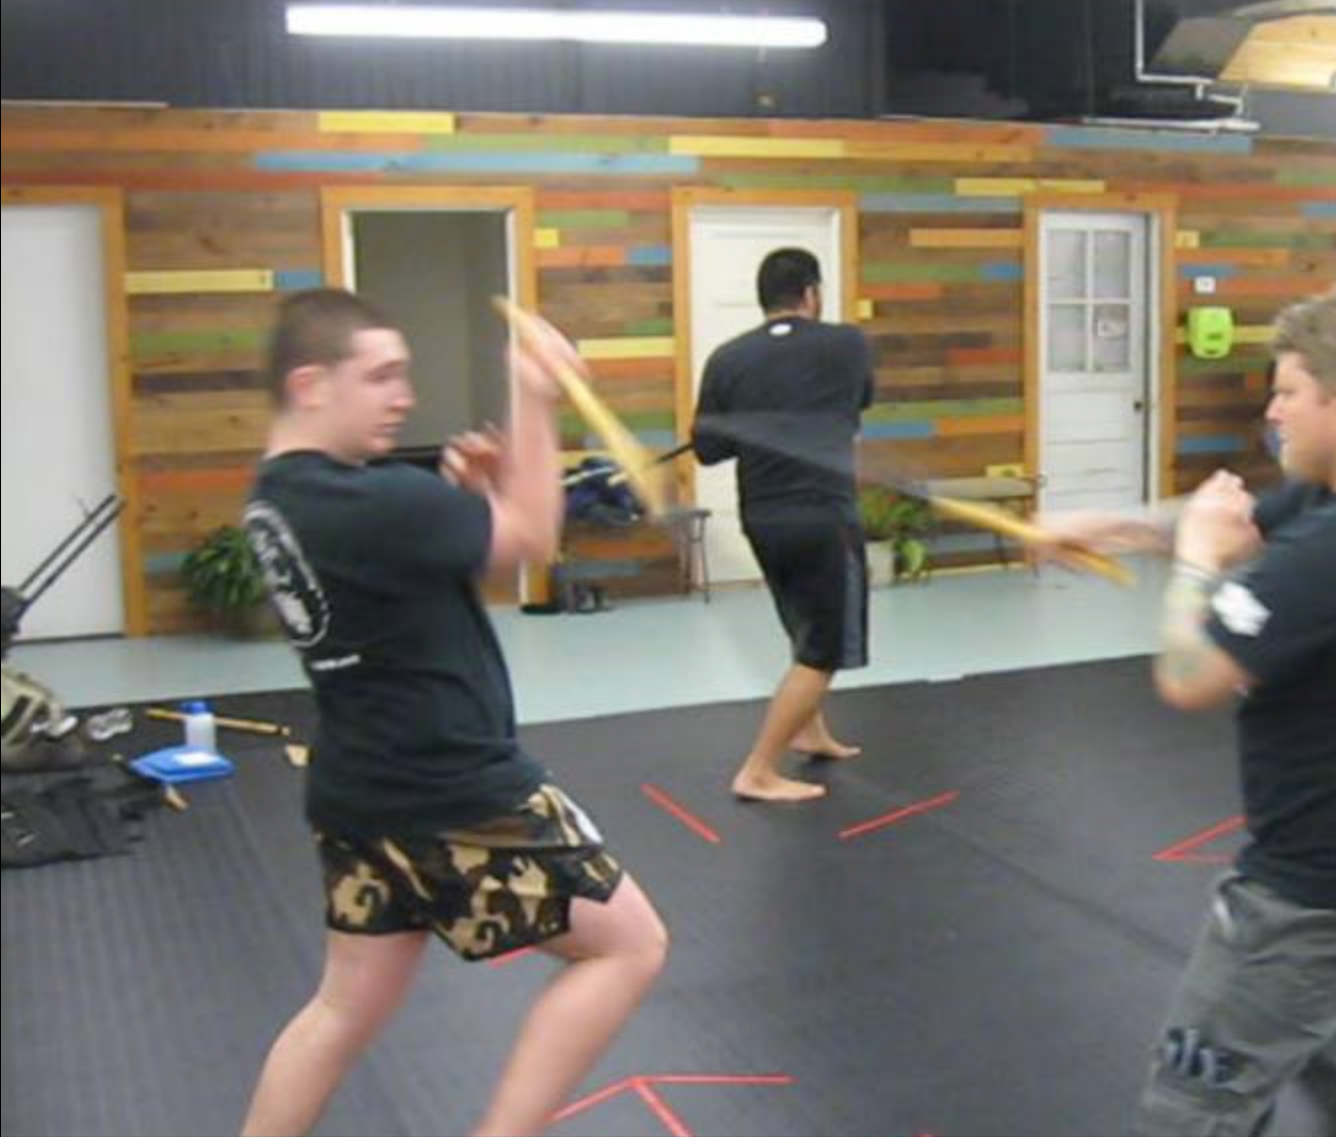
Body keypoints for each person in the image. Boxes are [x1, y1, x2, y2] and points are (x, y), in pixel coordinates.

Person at [1045, 283, 1336, 1136]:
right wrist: (1103, 524)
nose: (1273, 410)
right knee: (1319, 1053)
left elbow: (1190, 673)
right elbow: (1237, 520)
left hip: (1325, 895)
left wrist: (1198, 569)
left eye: (1287, 391)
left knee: (1190, 1108)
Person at [239, 289, 668, 1137]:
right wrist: (535, 396)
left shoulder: (280, 499)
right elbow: (533, 539)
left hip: (360, 792)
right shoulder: (367, 500)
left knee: (340, 1009)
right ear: (311, 383)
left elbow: (415, 572)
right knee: (628, 944)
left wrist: (462, 500)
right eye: (382, 376)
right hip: (453, 789)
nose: (403, 395)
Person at [691, 248, 875, 803]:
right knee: (823, 647)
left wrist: (754, 420)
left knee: (804, 625)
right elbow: (857, 405)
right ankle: (759, 770)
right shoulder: (847, 343)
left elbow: (707, 449)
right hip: (823, 515)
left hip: (764, 518)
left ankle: (810, 731)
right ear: (812, 294)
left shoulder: (728, 358)